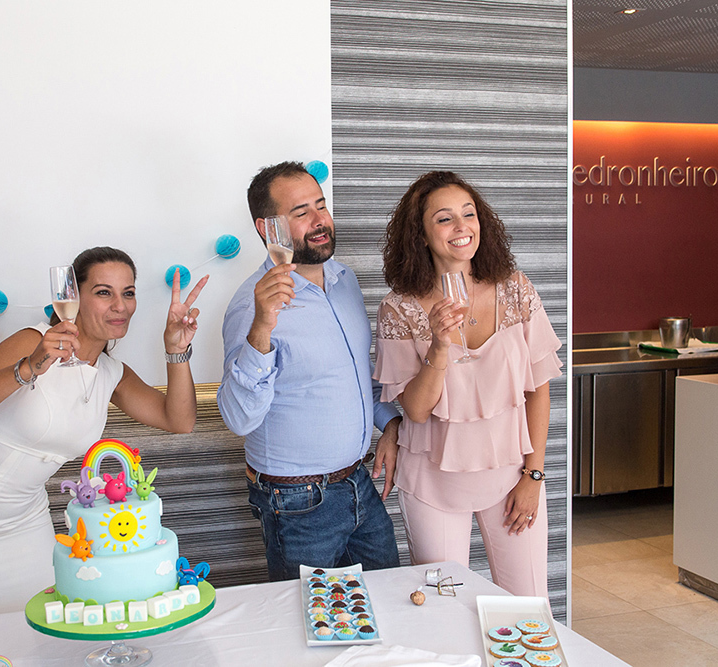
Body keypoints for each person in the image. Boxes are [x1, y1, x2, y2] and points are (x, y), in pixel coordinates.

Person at [0, 247, 207, 619]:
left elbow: (179, 420)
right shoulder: (30, 341)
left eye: (128, 293)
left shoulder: (110, 373)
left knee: (43, 639)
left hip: (27, 526)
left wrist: (176, 350)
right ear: (72, 297)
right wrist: (29, 367)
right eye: (104, 292)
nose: (120, 305)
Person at [373, 171, 562, 597]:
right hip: (433, 482)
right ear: (420, 235)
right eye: (444, 219)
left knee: (529, 607)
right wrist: (439, 346)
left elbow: (538, 389)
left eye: (469, 214)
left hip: (513, 477)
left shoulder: (516, 290)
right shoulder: (398, 309)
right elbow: (416, 410)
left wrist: (534, 474)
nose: (462, 227)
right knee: (443, 609)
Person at [217, 161, 402, 581]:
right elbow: (239, 418)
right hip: (297, 503)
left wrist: (389, 424)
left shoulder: (344, 281)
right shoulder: (251, 306)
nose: (320, 221)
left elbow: (357, 377)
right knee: (312, 631)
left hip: (359, 485)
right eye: (301, 213)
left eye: (321, 205)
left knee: (388, 612)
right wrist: (262, 326)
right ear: (269, 230)